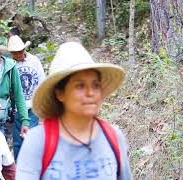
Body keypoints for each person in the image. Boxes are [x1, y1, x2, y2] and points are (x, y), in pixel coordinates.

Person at [16, 42, 133, 179]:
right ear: (60, 93)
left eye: (95, 85)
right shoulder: (38, 141)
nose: (90, 92)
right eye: (80, 86)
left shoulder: (113, 136)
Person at [7, 35, 46, 160]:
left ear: (24, 49)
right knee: (18, 142)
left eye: (20, 51)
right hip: (17, 108)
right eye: (15, 52)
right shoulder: (10, 65)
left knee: (31, 139)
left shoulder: (34, 61)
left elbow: (41, 81)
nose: (18, 54)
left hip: (33, 106)